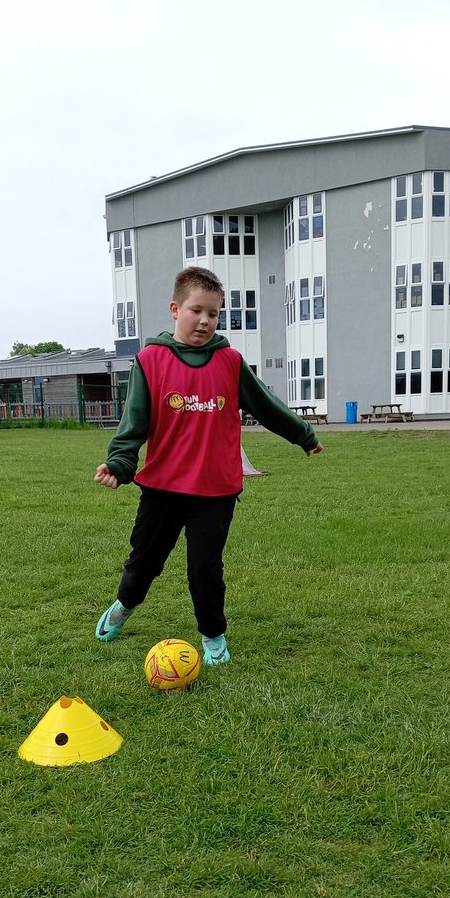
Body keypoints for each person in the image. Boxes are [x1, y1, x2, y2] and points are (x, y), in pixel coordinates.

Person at [94, 265, 323, 666]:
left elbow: (265, 406)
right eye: (196, 310)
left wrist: (303, 434)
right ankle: (124, 605)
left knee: (205, 569)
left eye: (213, 314)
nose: (204, 320)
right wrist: (119, 464)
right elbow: (134, 422)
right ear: (175, 309)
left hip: (215, 491)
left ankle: (213, 635)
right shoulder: (150, 359)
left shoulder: (230, 361)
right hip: (163, 488)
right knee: (144, 563)